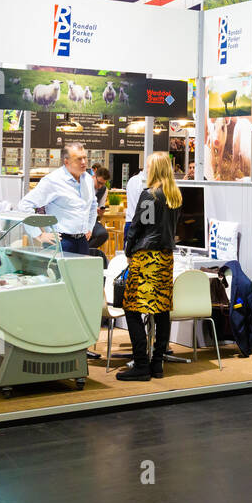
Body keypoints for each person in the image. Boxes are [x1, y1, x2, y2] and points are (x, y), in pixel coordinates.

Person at [118, 152, 181, 382]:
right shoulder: (175, 197)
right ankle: (157, 364)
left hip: (146, 259)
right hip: (166, 259)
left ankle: (141, 364)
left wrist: (128, 250)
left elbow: (138, 227)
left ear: (154, 170)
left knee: (132, 308)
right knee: (162, 309)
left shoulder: (150, 195)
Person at [17, 143, 97, 256]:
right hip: (60, 241)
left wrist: (89, 227)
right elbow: (24, 205)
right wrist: (39, 234)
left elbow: (93, 205)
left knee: (80, 273)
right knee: (58, 274)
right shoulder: (53, 180)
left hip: (82, 241)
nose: (84, 162)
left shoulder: (88, 180)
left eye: (85, 157)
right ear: (66, 161)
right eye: (79, 159)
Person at [88, 167, 112, 256]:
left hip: (92, 219)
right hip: (80, 218)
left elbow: (101, 206)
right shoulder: (84, 185)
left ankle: (84, 252)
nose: (100, 186)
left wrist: (101, 211)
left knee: (103, 234)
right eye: (99, 182)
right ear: (94, 176)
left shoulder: (104, 189)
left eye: (103, 183)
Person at [123, 164, 147, 241]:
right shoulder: (145, 183)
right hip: (141, 225)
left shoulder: (133, 180)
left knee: (127, 251)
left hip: (130, 222)